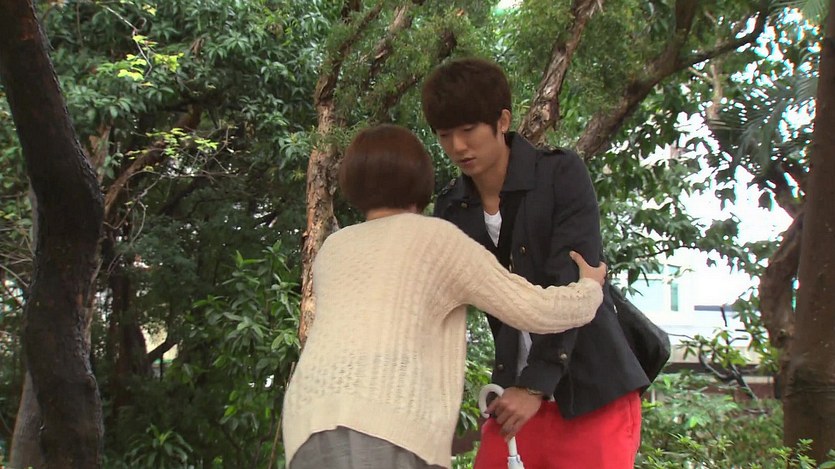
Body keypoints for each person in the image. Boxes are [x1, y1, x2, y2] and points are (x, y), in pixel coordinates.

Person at [282, 124, 608, 469]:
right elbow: (531, 308)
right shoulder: (435, 238)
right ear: (419, 178)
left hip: (306, 421)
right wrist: (588, 289)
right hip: (386, 418)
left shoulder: (333, 249)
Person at [422, 58, 649, 469]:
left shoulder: (560, 173)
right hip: (516, 398)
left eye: (468, 130)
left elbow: (573, 284)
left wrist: (535, 385)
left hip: (593, 393)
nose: (457, 146)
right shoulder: (452, 209)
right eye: (444, 135)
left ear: (502, 120)